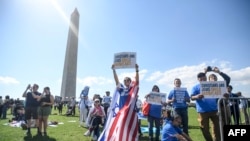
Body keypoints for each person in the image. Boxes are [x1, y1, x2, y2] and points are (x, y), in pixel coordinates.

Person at [190, 72, 220, 141]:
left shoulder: (213, 85)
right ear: (198, 79)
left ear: (206, 78)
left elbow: (220, 93)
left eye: (204, 78)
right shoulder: (195, 87)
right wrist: (197, 96)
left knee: (217, 128)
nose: (203, 79)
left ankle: (217, 140)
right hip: (202, 111)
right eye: (201, 78)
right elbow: (191, 97)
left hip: (214, 109)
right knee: (204, 129)